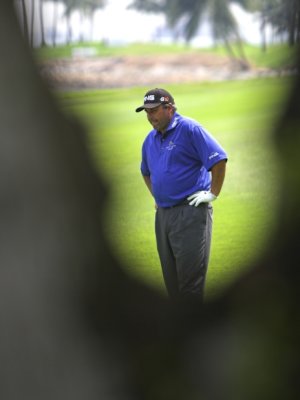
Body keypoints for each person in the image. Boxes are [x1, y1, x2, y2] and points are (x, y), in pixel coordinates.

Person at [136, 88, 227, 302]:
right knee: (172, 283)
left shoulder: (190, 129)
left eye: (154, 111)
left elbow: (219, 159)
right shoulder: (150, 139)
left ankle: (196, 332)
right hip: (164, 217)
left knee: (190, 284)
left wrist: (213, 193)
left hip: (191, 212)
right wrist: (157, 198)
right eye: (147, 112)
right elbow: (146, 172)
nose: (150, 117)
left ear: (169, 108)